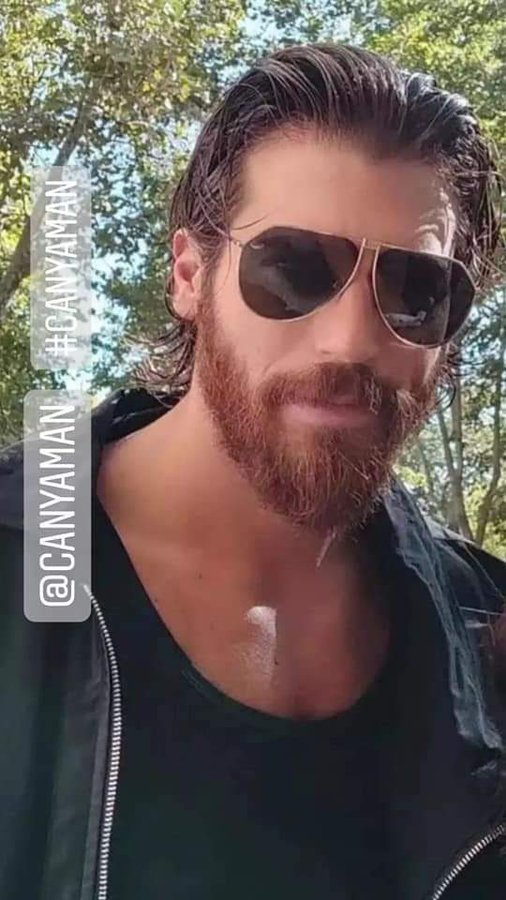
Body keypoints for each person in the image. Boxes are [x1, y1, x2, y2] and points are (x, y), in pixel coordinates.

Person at [0, 42, 505, 900]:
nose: (350, 341)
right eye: (294, 268)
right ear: (189, 276)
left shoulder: (488, 640)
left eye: (415, 290)